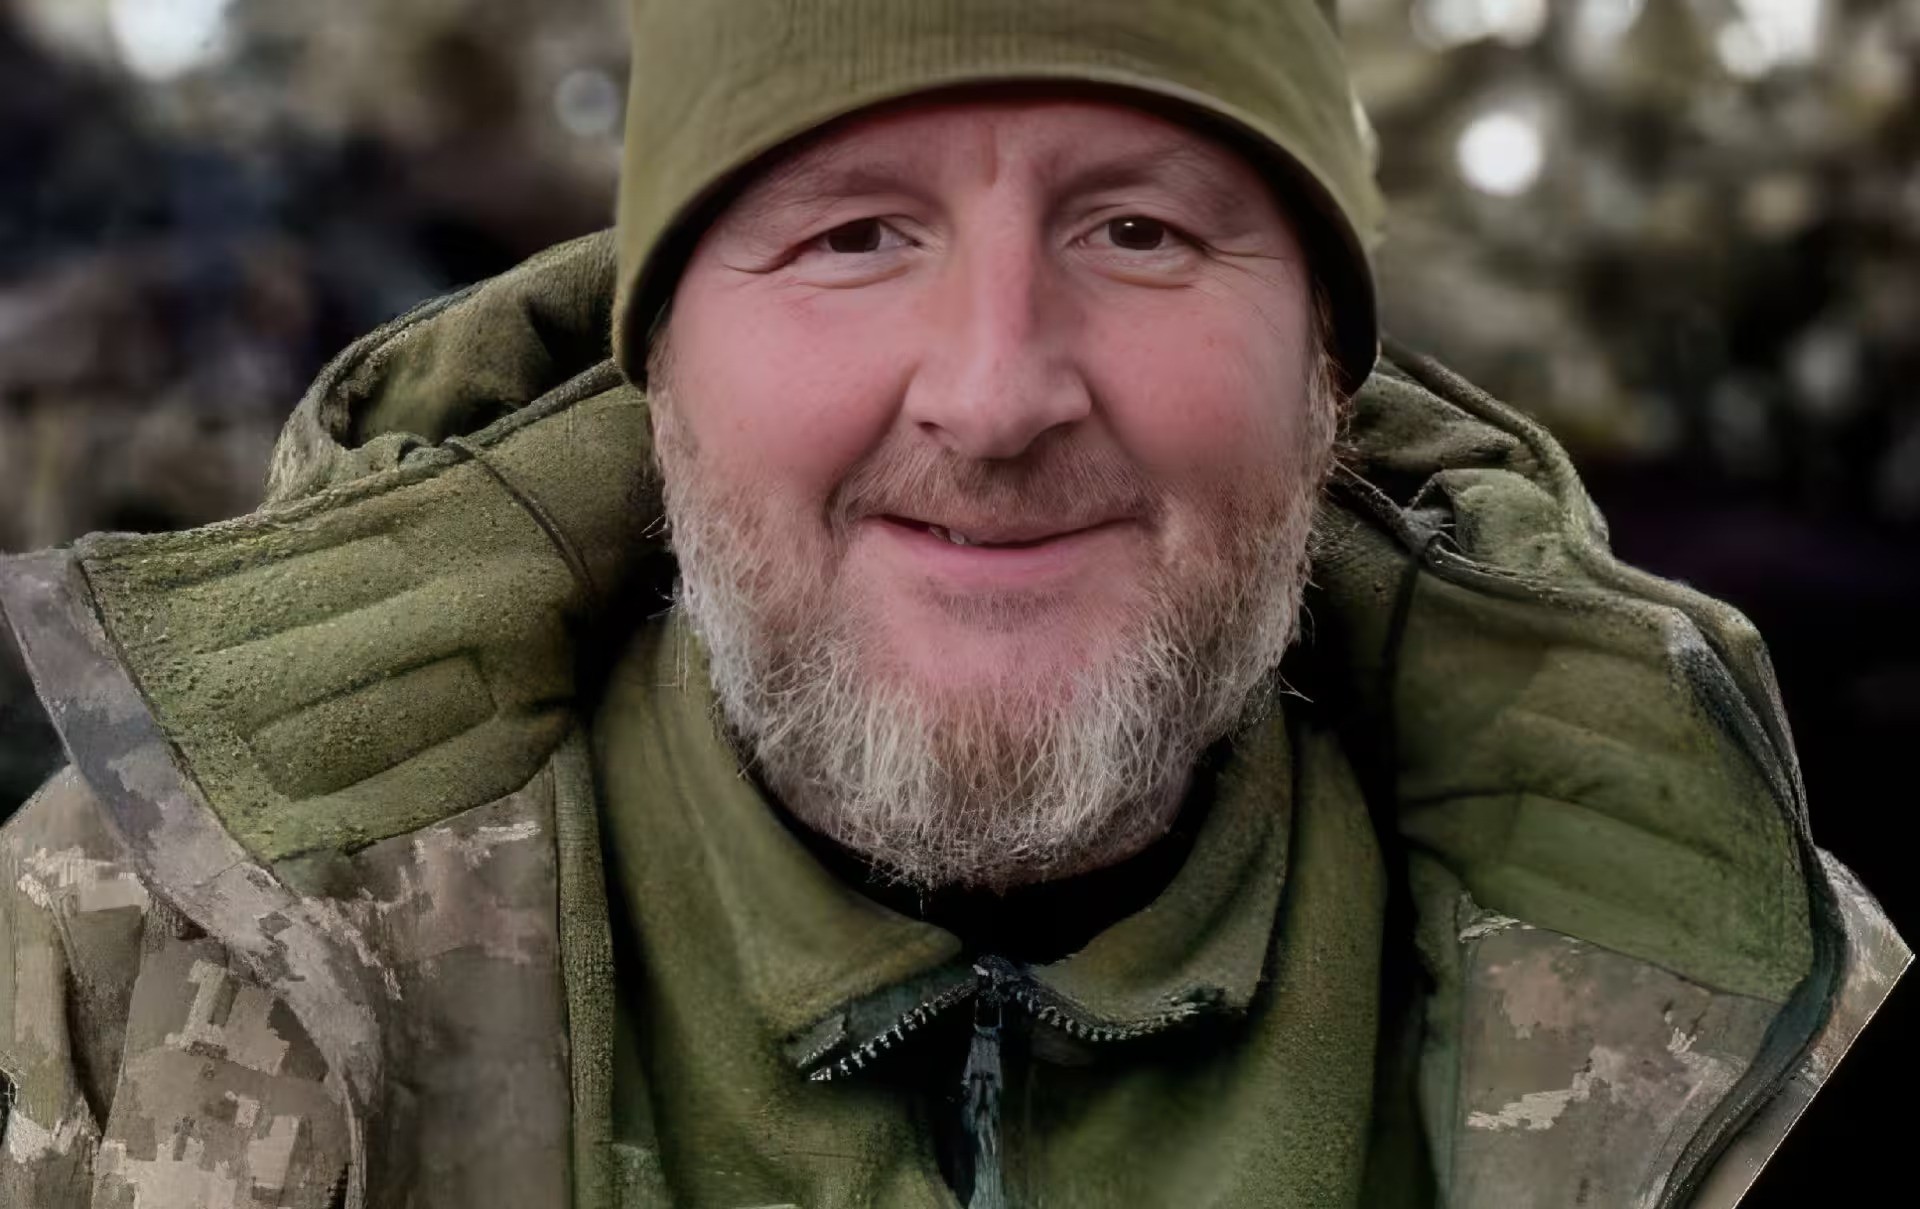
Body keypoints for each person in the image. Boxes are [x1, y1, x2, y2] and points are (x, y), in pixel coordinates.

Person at [0, 2, 1905, 1206]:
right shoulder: (130, 955)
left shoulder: (1751, 1032)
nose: (995, 396)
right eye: (855, 234)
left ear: (1326, 370)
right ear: (659, 366)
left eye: (1139, 230)